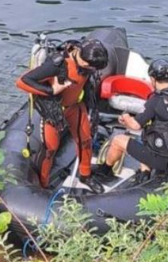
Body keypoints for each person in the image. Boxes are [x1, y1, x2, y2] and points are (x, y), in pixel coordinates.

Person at [16, 39, 108, 194]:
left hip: (75, 107)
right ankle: (43, 184)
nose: (91, 69)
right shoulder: (57, 64)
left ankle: (85, 176)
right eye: (88, 65)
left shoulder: (87, 64)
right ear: (79, 55)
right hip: (55, 110)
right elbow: (22, 81)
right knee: (50, 149)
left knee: (85, 140)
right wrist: (51, 90)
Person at [95, 59, 168, 183]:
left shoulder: (155, 100)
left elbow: (135, 125)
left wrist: (126, 117)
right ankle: (145, 172)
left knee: (118, 140)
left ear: (153, 79)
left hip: (164, 159)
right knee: (147, 138)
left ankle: (104, 171)